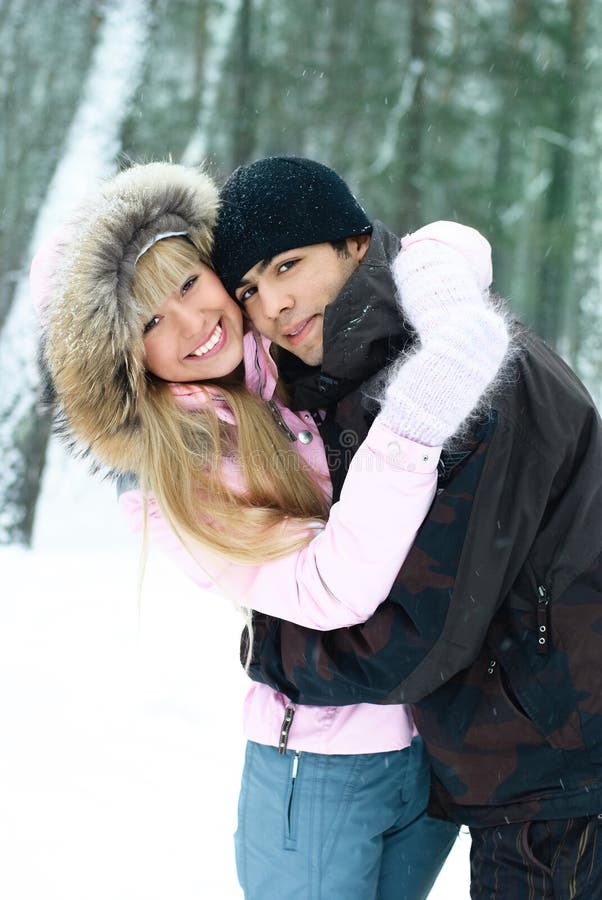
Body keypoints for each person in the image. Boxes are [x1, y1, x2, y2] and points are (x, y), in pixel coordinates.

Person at [32, 161, 510, 899]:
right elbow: (330, 589)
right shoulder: (182, 480)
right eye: (150, 321)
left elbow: (443, 242)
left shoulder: (287, 343)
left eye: (190, 283)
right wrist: (416, 419)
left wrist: (446, 312)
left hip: (430, 744)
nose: (192, 324)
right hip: (320, 775)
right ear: (125, 361)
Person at [211, 155, 602, 899]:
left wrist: (273, 650)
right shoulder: (388, 367)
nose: (274, 307)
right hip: (534, 761)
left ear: (356, 244)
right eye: (249, 290)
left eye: (289, 265)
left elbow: (418, 633)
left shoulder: (459, 385)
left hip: (563, 774)